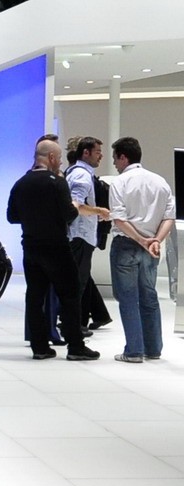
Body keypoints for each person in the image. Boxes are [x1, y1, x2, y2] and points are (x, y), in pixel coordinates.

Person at [6, 138, 99, 361]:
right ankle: (75, 346)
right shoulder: (57, 183)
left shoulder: (20, 183)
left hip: (30, 246)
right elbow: (69, 214)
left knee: (35, 296)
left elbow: (12, 216)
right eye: (58, 159)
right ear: (51, 158)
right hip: (56, 246)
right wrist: (74, 205)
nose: (60, 163)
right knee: (70, 294)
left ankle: (39, 347)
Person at [107, 136, 175, 363]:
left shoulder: (120, 182)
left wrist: (140, 239)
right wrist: (155, 240)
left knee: (127, 298)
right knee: (149, 295)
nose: (114, 163)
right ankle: (153, 348)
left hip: (127, 244)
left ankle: (134, 351)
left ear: (123, 157)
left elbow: (119, 219)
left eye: (115, 158)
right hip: (152, 246)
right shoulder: (160, 181)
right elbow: (169, 217)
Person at [64, 136, 110, 340]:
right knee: (78, 283)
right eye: (97, 152)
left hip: (80, 234)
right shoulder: (82, 175)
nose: (101, 156)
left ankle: (75, 324)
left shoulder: (76, 172)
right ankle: (74, 326)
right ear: (86, 153)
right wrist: (99, 211)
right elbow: (76, 205)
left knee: (79, 282)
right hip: (80, 235)